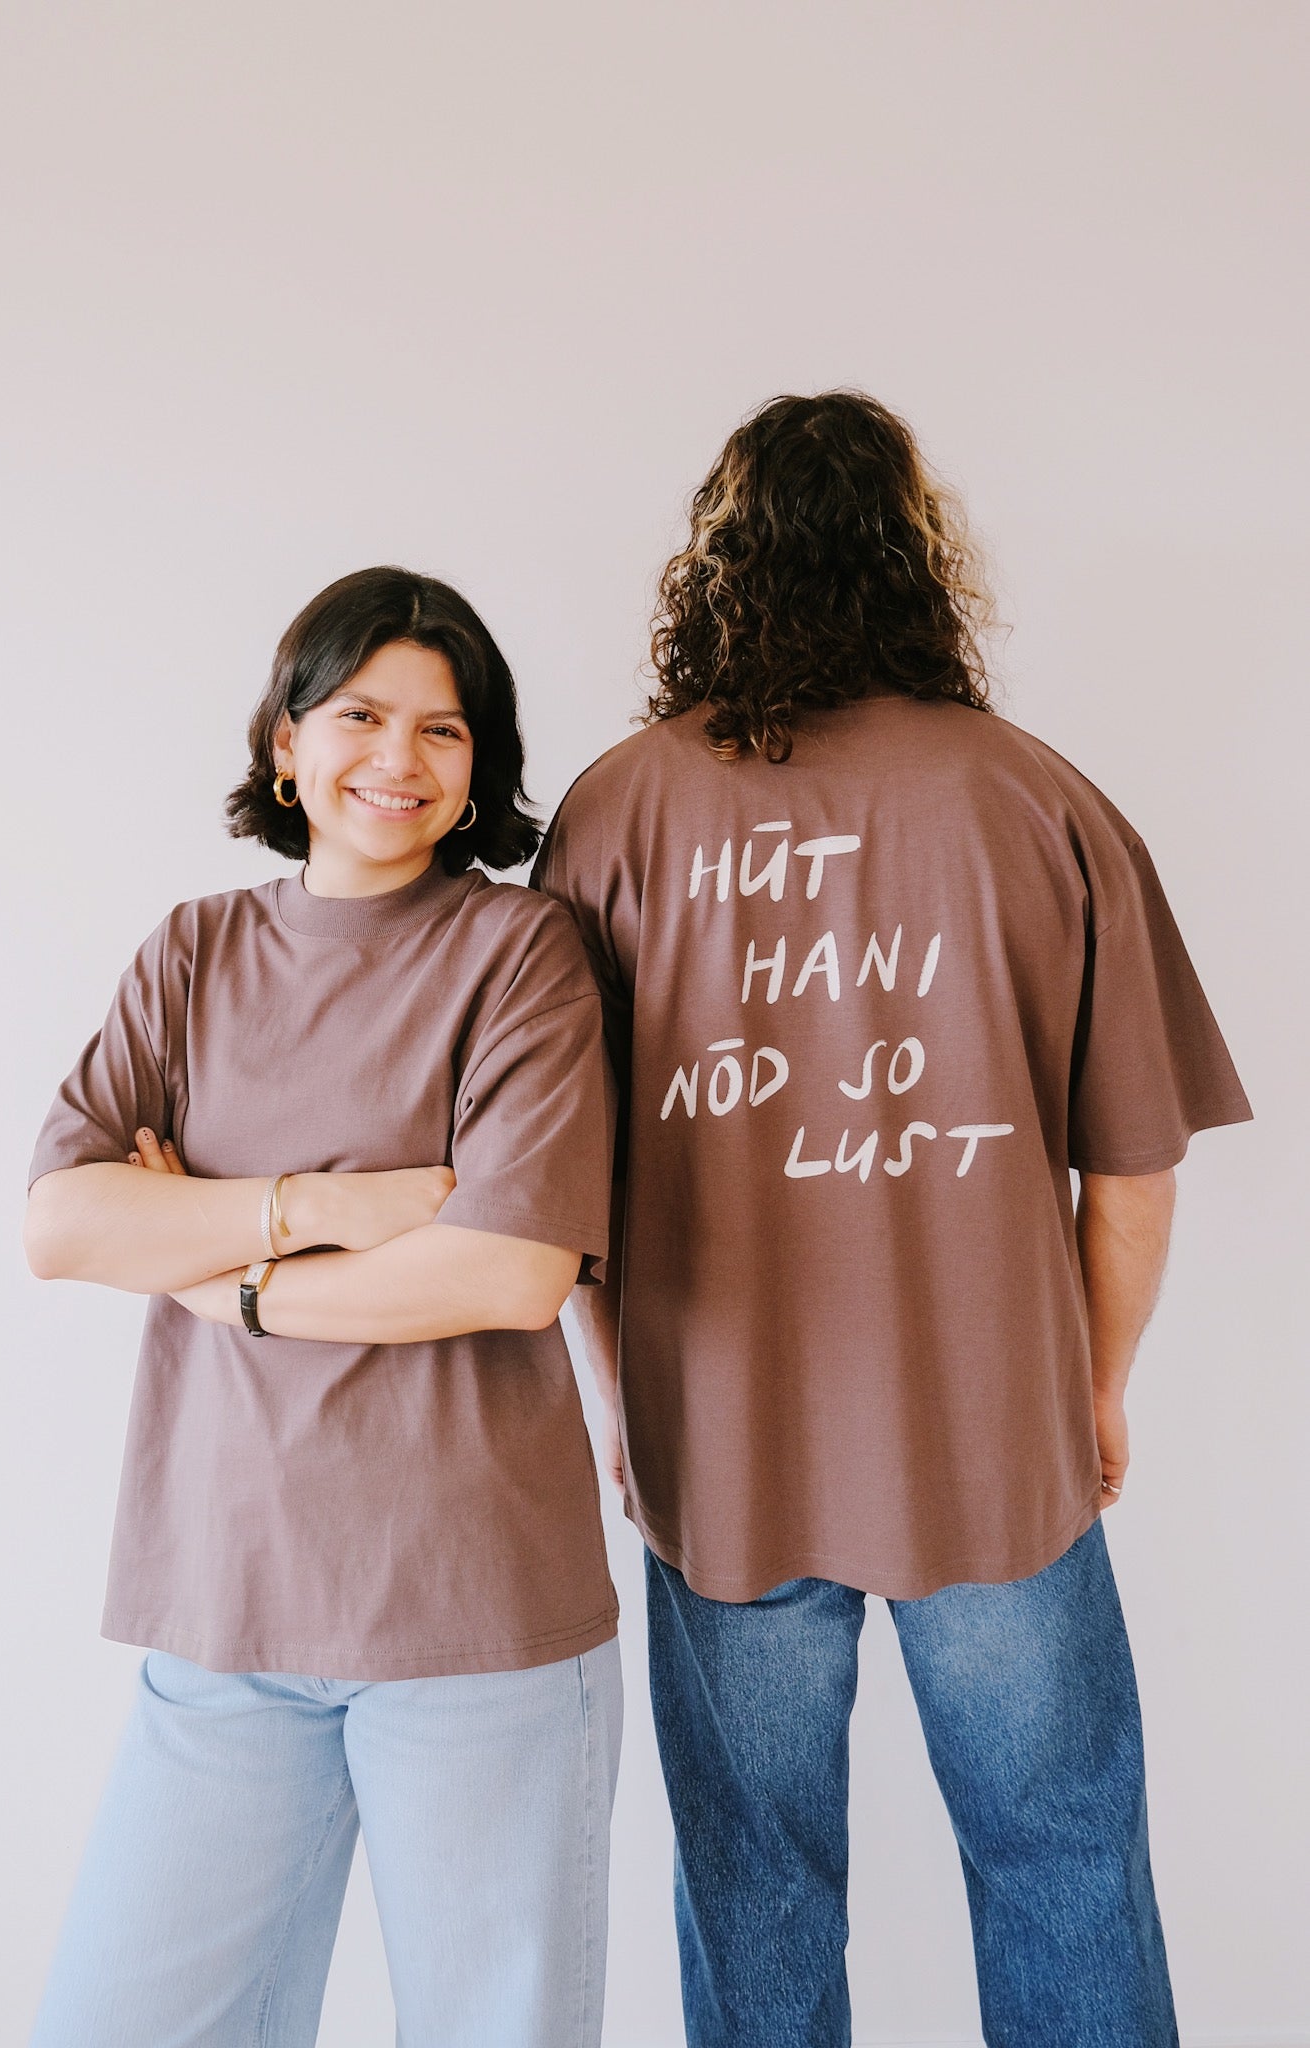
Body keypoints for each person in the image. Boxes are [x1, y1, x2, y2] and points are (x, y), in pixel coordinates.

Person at [534, 392, 1252, 2048]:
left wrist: (619, 1393)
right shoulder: (1036, 800)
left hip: (721, 1440)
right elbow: (1133, 1168)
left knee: (753, 1883)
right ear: (919, 560)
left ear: (715, 565)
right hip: (991, 1438)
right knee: (1061, 1859)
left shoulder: (618, 812)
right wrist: (1092, 1386)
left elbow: (560, 1185)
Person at [24, 567, 621, 2048]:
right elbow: (62, 1223)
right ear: (285, 740)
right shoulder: (194, 953)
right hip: (224, 1613)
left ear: (479, 767)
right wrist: (318, 1209)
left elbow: (509, 1272)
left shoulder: (521, 954)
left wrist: (217, 1277)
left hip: (476, 1617)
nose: (398, 759)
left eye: (444, 729)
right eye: (360, 714)